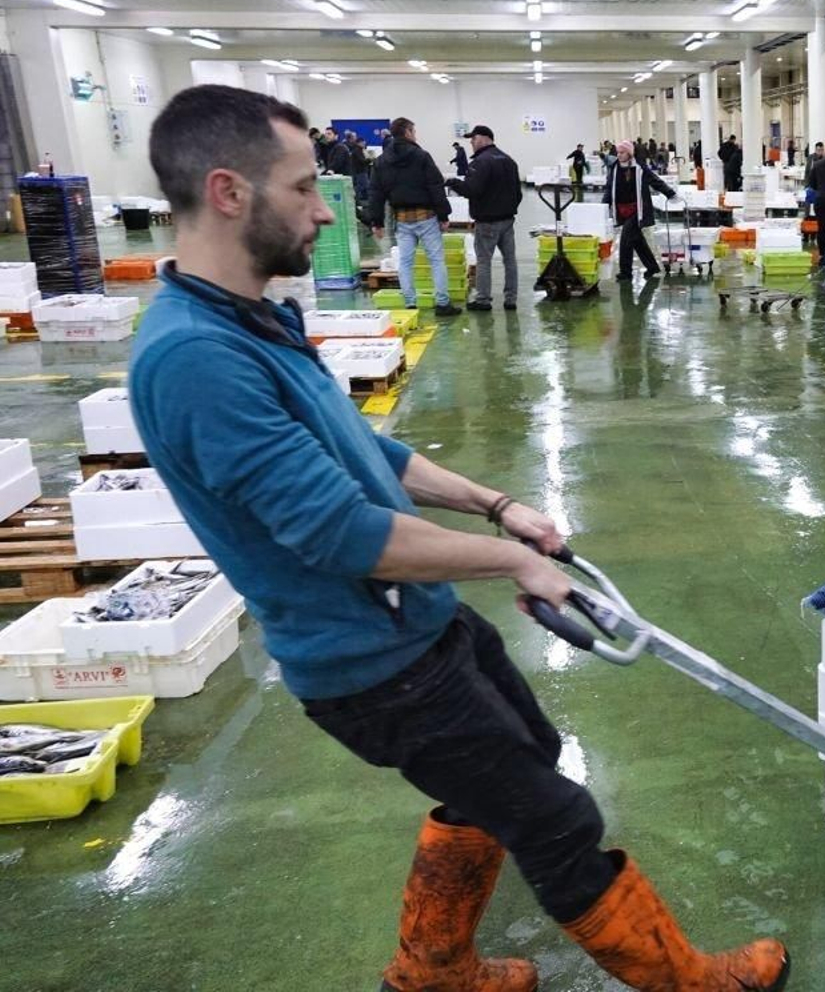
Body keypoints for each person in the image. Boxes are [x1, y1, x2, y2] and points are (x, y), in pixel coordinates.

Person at [131, 84, 789, 992]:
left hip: (415, 625)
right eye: (301, 187)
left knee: (526, 752)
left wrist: (496, 506)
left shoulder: (256, 320)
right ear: (228, 191)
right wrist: (515, 562)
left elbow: (370, 450)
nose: (326, 208)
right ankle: (689, 982)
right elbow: (344, 534)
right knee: (557, 819)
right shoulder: (196, 357)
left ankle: (432, 962)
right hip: (368, 661)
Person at [369, 117, 459, 316]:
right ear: (408, 132)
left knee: (405, 262)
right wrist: (444, 215)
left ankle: (410, 304)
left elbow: (376, 192)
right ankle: (442, 304)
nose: (415, 135)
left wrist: (376, 221)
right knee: (436, 260)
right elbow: (435, 186)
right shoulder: (421, 156)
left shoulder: (381, 161)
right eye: (414, 131)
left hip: (402, 219)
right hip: (426, 216)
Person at [446, 125, 523, 313]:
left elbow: (472, 190)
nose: (471, 142)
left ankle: (483, 300)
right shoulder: (509, 160)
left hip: (487, 222)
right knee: (510, 260)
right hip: (507, 220)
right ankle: (510, 299)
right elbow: (518, 193)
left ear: (483, 138)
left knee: (484, 260)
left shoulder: (480, 162)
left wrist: (452, 182)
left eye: (473, 138)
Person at [604, 139, 680, 282]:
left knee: (626, 238)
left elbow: (654, 180)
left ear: (629, 153)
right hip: (621, 209)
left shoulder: (639, 168)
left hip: (638, 210)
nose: (619, 155)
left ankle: (625, 272)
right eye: (618, 153)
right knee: (637, 240)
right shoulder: (614, 168)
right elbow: (609, 188)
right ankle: (652, 268)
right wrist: (603, 206)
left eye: (622, 153)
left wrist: (670, 193)